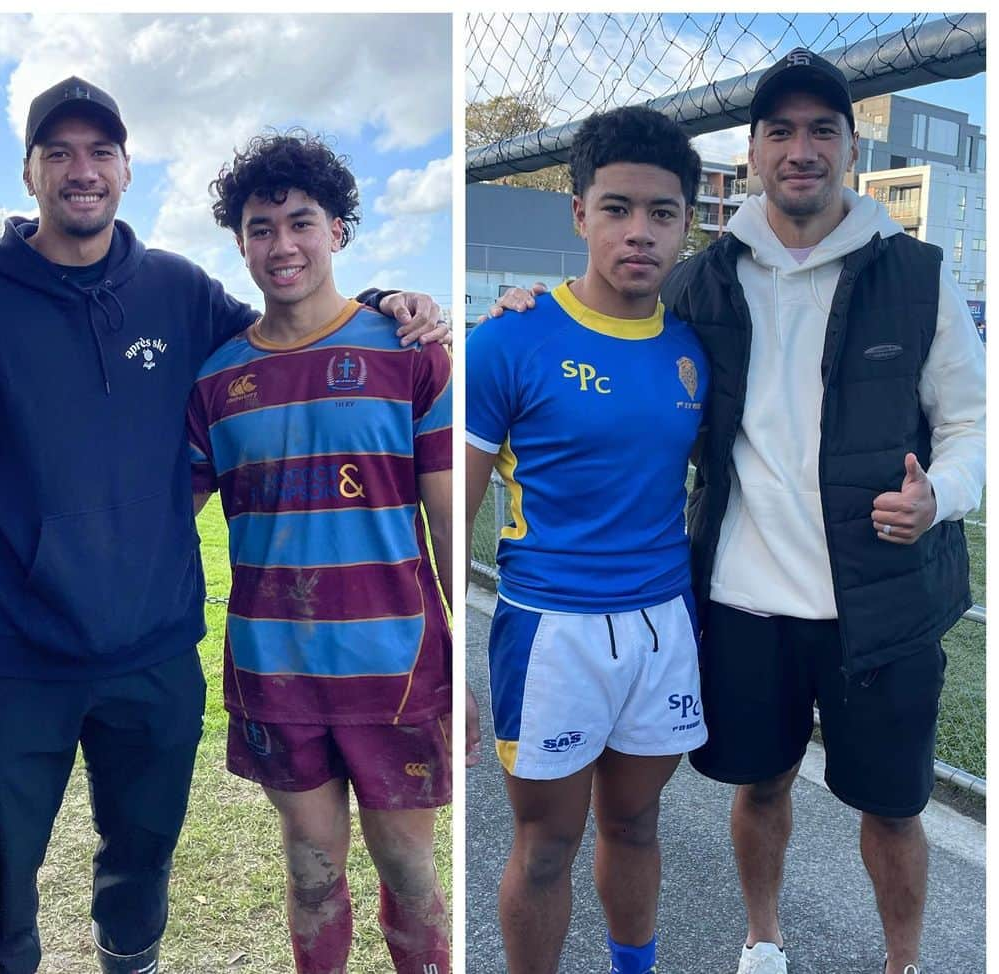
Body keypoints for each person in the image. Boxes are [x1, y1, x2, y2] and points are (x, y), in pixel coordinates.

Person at [0, 76, 447, 974]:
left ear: (129, 169)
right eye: (59, 153)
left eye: (100, 152)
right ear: (28, 172)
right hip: (10, 657)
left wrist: (397, 300)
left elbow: (296, 331)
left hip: (155, 652)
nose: (81, 170)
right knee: (0, 880)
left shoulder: (178, 291)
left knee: (142, 863)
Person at [488, 48, 985, 974]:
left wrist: (941, 495)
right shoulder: (702, 280)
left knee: (895, 808)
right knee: (761, 785)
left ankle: (904, 961)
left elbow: (973, 426)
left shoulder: (916, 276)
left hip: (881, 604)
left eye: (823, 131)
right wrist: (522, 307)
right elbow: (612, 320)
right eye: (781, 131)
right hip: (741, 603)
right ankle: (763, 940)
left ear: (848, 150)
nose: (802, 149)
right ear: (753, 150)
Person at [187, 131, 453, 974]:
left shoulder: (412, 353)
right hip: (277, 667)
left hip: (396, 665)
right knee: (308, 876)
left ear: (338, 229)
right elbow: (157, 518)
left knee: (411, 875)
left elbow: (450, 525)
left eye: (301, 222)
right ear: (239, 244)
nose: (282, 245)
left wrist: (471, 669)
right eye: (261, 228)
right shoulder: (213, 383)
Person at [466, 106, 709, 974]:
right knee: (544, 844)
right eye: (616, 209)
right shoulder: (507, 340)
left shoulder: (693, 349)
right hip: (550, 633)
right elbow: (455, 510)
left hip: (662, 624)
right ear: (578, 214)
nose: (639, 232)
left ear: (688, 221)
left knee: (638, 822)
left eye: (661, 213)